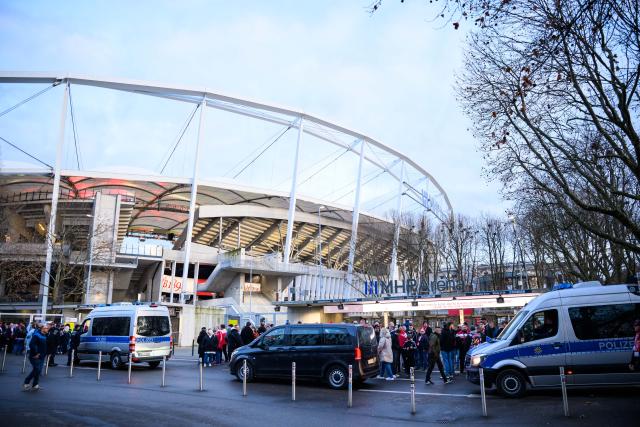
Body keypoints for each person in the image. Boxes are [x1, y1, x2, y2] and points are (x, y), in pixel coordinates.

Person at [24, 323, 49, 391]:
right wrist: (36, 353)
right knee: (37, 369)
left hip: (42, 355)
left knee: (38, 370)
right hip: (35, 356)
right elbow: (32, 344)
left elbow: (44, 345)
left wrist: (46, 353)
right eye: (46, 328)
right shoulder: (36, 335)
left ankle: (35, 385)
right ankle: (26, 382)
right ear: (42, 328)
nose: (48, 329)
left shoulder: (44, 335)